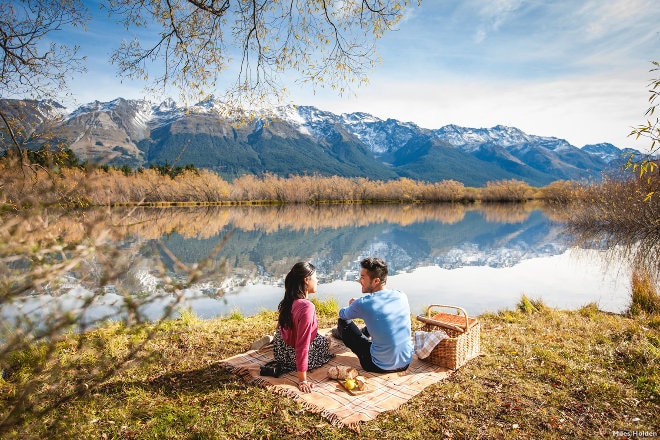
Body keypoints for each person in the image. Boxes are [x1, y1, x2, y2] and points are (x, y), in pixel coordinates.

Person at [332, 257, 413, 373]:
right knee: (380, 319)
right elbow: (378, 306)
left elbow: (343, 314)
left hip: (377, 365)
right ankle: (364, 333)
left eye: (363, 277)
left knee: (343, 322)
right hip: (405, 363)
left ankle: (343, 334)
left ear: (376, 281)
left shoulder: (364, 303)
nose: (359, 280)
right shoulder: (401, 295)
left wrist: (353, 306)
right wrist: (360, 304)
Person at [273, 262, 334, 393]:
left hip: (280, 351)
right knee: (327, 341)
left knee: (321, 338)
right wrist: (302, 380)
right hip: (292, 359)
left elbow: (279, 326)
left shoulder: (290, 298)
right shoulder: (307, 307)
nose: (317, 280)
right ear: (306, 280)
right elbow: (302, 345)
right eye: (315, 277)